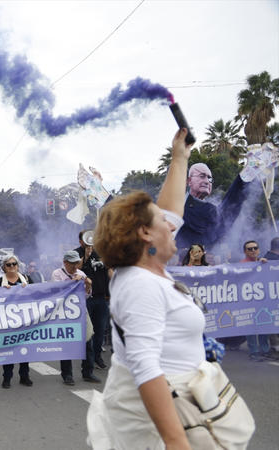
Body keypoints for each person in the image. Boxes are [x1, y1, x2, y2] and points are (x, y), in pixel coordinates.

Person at [87, 128, 234, 449]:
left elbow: (171, 209)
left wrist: (179, 157)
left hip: (177, 411)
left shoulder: (146, 270)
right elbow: (146, 370)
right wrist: (176, 441)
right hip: (150, 430)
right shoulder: (140, 286)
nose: (172, 224)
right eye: (161, 222)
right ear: (145, 235)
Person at [175, 162, 252, 250]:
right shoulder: (177, 205)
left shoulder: (210, 210)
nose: (207, 181)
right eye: (202, 176)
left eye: (209, 178)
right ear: (189, 181)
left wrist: (249, 172)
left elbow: (227, 211)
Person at [51, 250, 97, 385]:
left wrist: (88, 284)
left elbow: (87, 295)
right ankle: (67, 375)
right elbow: (58, 292)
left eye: (76, 263)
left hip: (80, 310)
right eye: (72, 263)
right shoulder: (57, 274)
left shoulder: (81, 273)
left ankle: (88, 372)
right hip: (65, 312)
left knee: (88, 340)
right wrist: (72, 282)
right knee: (67, 344)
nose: (75, 266)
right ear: (65, 262)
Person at [0, 255, 33, 388]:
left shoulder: (26, 279)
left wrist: (28, 290)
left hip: (25, 321)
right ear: (4, 267)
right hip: (7, 323)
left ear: (18, 265)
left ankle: (24, 376)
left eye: (14, 264)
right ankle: (7, 377)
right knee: (8, 350)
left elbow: (38, 296)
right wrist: (1, 293)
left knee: (24, 349)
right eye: (8, 265)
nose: (12, 266)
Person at [76, 230, 112, 371]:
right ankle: (88, 363)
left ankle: (97, 357)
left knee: (100, 330)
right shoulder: (77, 253)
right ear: (80, 241)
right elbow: (77, 269)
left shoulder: (101, 253)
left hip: (101, 297)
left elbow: (110, 271)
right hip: (86, 299)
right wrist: (85, 255)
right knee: (88, 332)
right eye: (86, 239)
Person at [239, 240, 275, 362]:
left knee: (264, 323)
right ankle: (254, 351)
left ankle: (265, 350)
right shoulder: (241, 265)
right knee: (251, 326)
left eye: (255, 248)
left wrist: (265, 264)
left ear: (259, 250)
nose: (253, 250)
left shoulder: (263, 262)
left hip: (262, 299)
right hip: (248, 300)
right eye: (250, 249)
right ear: (245, 252)